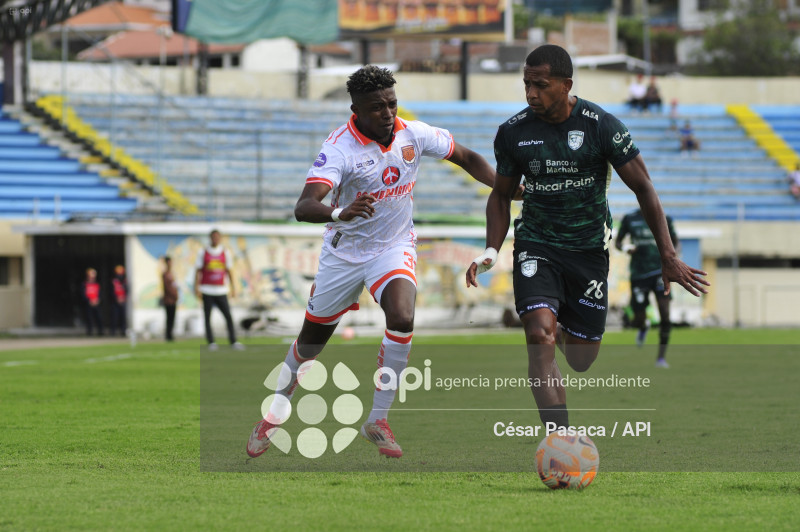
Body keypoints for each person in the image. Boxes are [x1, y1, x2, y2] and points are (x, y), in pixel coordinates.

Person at [247, 64, 498, 459]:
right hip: (344, 254)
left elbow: (466, 156)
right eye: (377, 107)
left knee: (402, 316)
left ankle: (377, 419)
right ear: (356, 109)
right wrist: (337, 212)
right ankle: (274, 414)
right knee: (310, 345)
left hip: (393, 247)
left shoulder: (412, 133)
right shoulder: (339, 148)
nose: (387, 113)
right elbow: (304, 206)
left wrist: (505, 188)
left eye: (392, 103)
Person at [466, 44, 709, 431]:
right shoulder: (513, 132)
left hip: (588, 251)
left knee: (580, 360)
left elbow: (644, 187)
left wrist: (668, 255)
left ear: (566, 85)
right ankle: (559, 441)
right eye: (526, 84)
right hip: (537, 245)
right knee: (539, 338)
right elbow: (500, 194)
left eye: (541, 85)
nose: (531, 93)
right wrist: (492, 249)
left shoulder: (601, 126)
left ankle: (560, 325)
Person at [615, 209, 680, 367]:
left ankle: (661, 358)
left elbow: (675, 242)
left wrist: (672, 259)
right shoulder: (630, 219)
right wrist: (626, 248)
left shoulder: (664, 217)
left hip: (660, 272)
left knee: (665, 315)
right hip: (639, 274)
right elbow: (617, 242)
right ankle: (643, 327)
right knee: (638, 319)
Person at [194, 229, 244, 351]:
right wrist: (197, 287)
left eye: (217, 237)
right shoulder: (203, 252)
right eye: (213, 237)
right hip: (207, 290)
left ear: (220, 238)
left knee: (228, 316)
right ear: (210, 238)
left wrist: (233, 287)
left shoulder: (225, 252)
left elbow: (229, 271)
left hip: (221, 290)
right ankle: (211, 342)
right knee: (207, 317)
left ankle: (233, 340)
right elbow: (198, 271)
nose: (215, 239)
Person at [162, 256, 179, 342]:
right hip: (169, 300)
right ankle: (168, 335)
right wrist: (174, 295)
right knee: (169, 318)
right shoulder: (165, 274)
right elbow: (167, 287)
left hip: (173, 299)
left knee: (172, 318)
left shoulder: (171, 273)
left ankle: (170, 334)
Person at [82, 267, 103, 336]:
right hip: (88, 304)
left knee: (99, 317)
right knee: (89, 318)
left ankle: (100, 332)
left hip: (96, 303)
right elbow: (83, 294)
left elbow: (100, 294)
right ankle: (89, 332)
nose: (92, 278)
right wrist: (89, 301)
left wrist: (97, 300)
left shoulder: (97, 284)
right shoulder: (84, 284)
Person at [109, 264, 128, 337]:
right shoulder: (113, 281)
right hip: (115, 301)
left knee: (123, 317)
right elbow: (111, 291)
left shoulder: (125, 281)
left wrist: (123, 298)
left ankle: (123, 331)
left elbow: (127, 290)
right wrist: (116, 298)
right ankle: (113, 331)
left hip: (123, 301)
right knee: (114, 317)